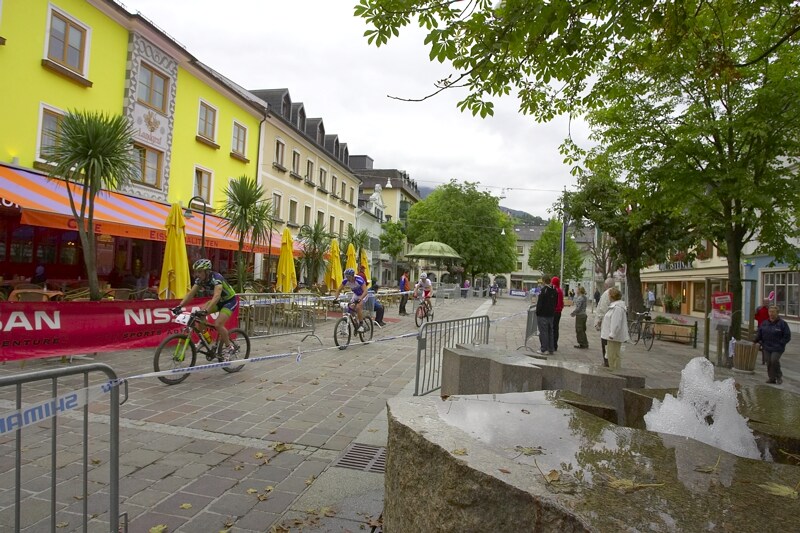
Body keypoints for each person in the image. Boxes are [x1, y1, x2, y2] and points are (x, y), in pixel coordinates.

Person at [172, 258, 240, 359]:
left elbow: (216, 296)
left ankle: (229, 347)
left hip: (229, 301)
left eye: (200, 272)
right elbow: (191, 294)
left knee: (218, 324)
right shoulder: (200, 280)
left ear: (207, 271)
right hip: (218, 301)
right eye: (196, 272)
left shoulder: (216, 278)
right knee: (199, 316)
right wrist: (180, 306)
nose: (197, 274)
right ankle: (206, 339)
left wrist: (207, 311)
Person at [755, 306, 791, 385]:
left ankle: (778, 377)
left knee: (774, 360)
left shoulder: (782, 324)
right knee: (768, 362)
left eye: (773, 312)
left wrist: (781, 343)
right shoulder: (764, 323)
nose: (771, 314)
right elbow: (759, 334)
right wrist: (755, 341)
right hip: (767, 346)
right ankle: (771, 378)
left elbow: (787, 336)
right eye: (770, 312)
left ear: (777, 313)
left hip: (777, 347)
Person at [600, 288, 630, 370]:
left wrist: (612, 334)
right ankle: (613, 368)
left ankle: (613, 370)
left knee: (612, 355)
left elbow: (616, 322)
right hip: (610, 336)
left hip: (613, 337)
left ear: (612, 296)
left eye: (609, 295)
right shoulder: (615, 306)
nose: (608, 296)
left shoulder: (617, 308)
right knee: (611, 354)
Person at [332, 267, 368, 331]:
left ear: (353, 276)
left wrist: (360, 299)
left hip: (363, 295)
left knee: (358, 307)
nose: (347, 278)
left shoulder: (359, 280)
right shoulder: (345, 281)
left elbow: (365, 291)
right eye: (346, 276)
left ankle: (361, 324)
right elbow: (338, 289)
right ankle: (356, 323)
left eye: (349, 277)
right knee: (350, 308)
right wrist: (336, 298)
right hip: (356, 295)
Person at [594, 278, 616, 367]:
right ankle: (610, 360)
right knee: (611, 343)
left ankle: (607, 361)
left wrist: (599, 321)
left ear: (606, 285)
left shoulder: (606, 294)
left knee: (605, 342)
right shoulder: (615, 293)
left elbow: (602, 309)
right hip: (612, 321)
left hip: (606, 322)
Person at [535, 276, 557, 355]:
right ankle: (551, 348)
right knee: (550, 331)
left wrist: (537, 312)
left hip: (543, 314)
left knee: (543, 332)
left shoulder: (544, 290)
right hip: (551, 314)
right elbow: (555, 302)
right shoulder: (554, 290)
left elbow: (540, 303)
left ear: (544, 281)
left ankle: (544, 349)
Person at [755, 298, 771, 364]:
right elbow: (755, 316)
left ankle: (766, 359)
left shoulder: (770, 309)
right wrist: (760, 321)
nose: (766, 303)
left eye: (767, 302)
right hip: (760, 327)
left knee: (766, 344)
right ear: (763, 302)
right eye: (765, 302)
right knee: (760, 342)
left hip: (769, 328)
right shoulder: (759, 308)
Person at [551, 276, 564, 351]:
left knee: (553, 328)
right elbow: (561, 302)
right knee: (556, 328)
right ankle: (555, 344)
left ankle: (553, 344)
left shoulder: (555, 290)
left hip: (554, 311)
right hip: (559, 312)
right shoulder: (560, 290)